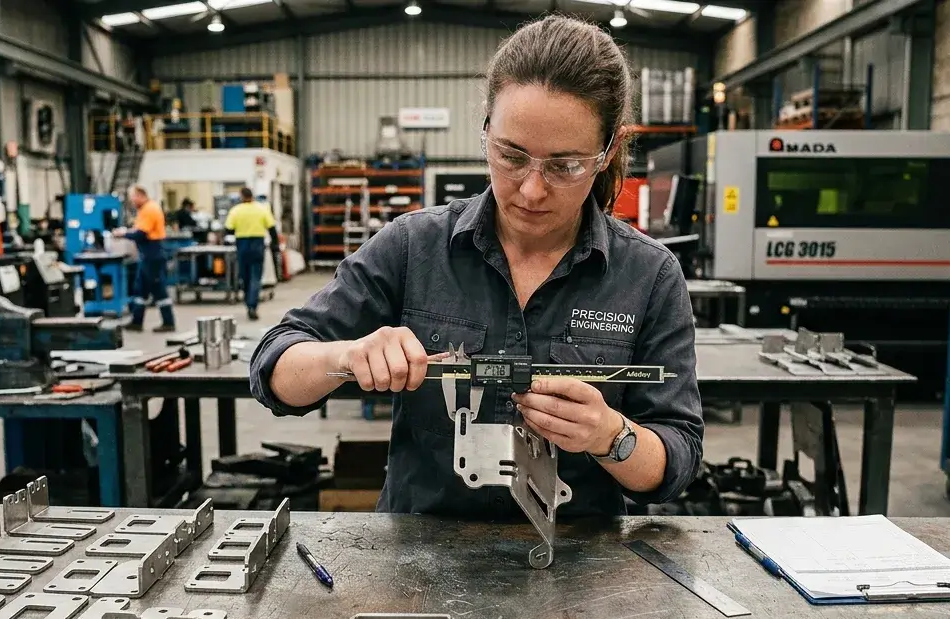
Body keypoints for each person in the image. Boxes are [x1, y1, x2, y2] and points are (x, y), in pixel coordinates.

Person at [248, 16, 703, 518]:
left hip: (583, 571)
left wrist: (611, 437)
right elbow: (274, 370)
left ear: (607, 151)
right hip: (418, 561)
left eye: (564, 165)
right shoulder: (412, 246)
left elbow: (675, 460)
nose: (532, 189)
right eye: (511, 155)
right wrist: (348, 355)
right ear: (486, 129)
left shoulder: (649, 276)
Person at [116, 184, 175, 332]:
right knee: (140, 289)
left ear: (141, 195)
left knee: (159, 289)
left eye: (133, 197)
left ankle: (169, 322)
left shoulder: (150, 209)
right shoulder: (145, 209)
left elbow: (140, 234)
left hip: (152, 254)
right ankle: (137, 321)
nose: (132, 201)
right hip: (147, 254)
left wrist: (123, 234)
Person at [224, 187, 281, 321]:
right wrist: (275, 245)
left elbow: (228, 230)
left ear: (242, 196)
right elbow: (272, 229)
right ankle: (252, 306)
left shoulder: (236, 210)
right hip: (257, 245)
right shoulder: (261, 209)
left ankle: (247, 302)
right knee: (256, 277)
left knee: (245, 277)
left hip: (242, 245)